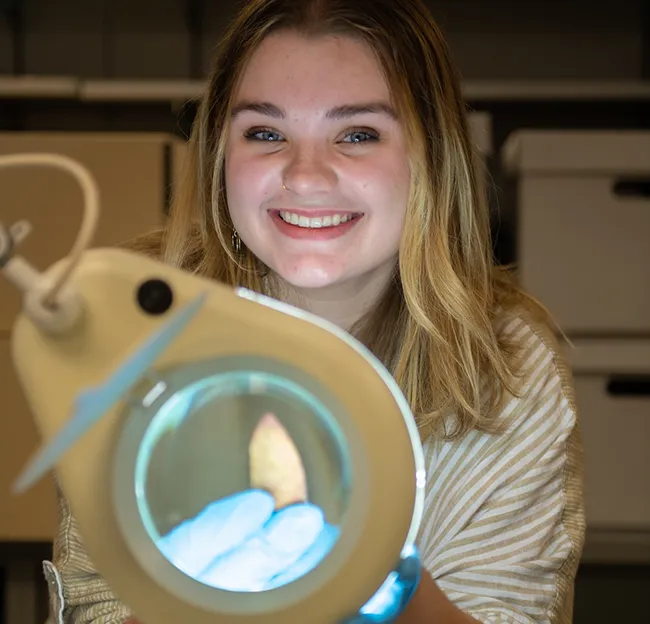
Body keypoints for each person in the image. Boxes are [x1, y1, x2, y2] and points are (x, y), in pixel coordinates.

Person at [42, 0, 586, 622]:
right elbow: (98, 606)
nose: (304, 176)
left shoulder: (507, 369)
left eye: (357, 134)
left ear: (430, 155)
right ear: (221, 154)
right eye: (266, 133)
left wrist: (383, 586)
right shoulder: (133, 336)